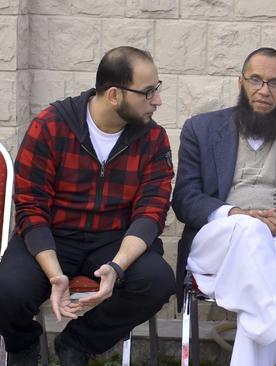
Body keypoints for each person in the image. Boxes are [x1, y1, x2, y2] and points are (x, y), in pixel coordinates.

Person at [0, 46, 175, 366]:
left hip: (113, 239)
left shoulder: (153, 139)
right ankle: (23, 344)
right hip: (54, 236)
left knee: (157, 280)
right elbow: (30, 206)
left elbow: (152, 211)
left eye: (157, 89)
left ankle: (77, 343)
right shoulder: (51, 126)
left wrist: (118, 265)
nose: (157, 100)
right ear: (113, 95)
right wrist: (55, 275)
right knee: (8, 289)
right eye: (148, 92)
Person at [172, 47, 276, 366]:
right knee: (249, 230)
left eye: (274, 83)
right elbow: (185, 198)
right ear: (240, 82)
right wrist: (234, 214)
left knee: (260, 290)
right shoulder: (201, 130)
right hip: (215, 243)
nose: (264, 90)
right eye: (256, 80)